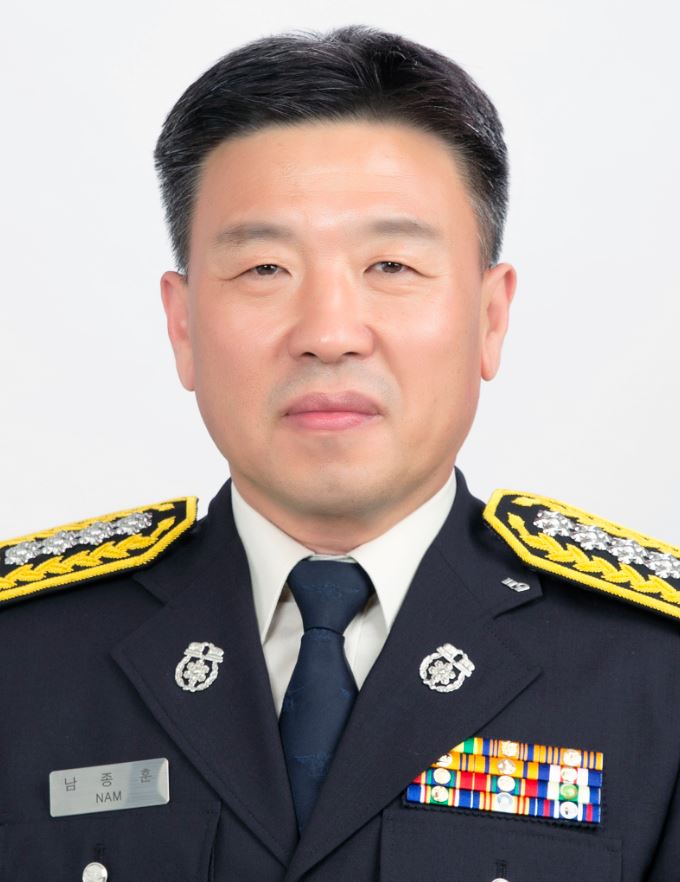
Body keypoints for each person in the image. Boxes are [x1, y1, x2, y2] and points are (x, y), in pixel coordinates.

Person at [1, 23, 679, 882]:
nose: (328, 333)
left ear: (490, 317)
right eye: (264, 270)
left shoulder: (652, 669)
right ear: (182, 326)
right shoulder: (24, 657)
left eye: (391, 265)